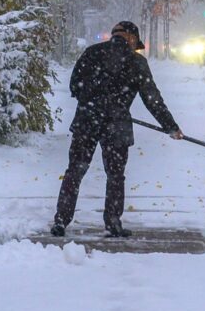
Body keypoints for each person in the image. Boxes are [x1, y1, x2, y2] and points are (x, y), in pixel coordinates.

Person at [51, 21, 183, 238]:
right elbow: (152, 99)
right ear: (130, 38)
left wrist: (92, 100)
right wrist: (171, 126)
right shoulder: (136, 61)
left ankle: (61, 221)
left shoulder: (92, 53)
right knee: (115, 175)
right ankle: (113, 222)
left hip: (87, 121)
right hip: (117, 125)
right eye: (135, 43)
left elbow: (75, 85)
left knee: (75, 171)